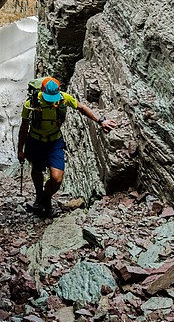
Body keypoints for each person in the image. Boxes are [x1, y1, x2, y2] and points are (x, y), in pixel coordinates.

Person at [17, 76, 113, 217]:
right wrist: (20, 149)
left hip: (54, 142)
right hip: (35, 141)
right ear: (42, 92)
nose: (52, 101)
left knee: (57, 178)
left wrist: (100, 121)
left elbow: (81, 107)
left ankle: (45, 197)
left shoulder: (63, 98)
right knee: (37, 169)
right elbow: (24, 127)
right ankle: (39, 197)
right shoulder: (31, 102)